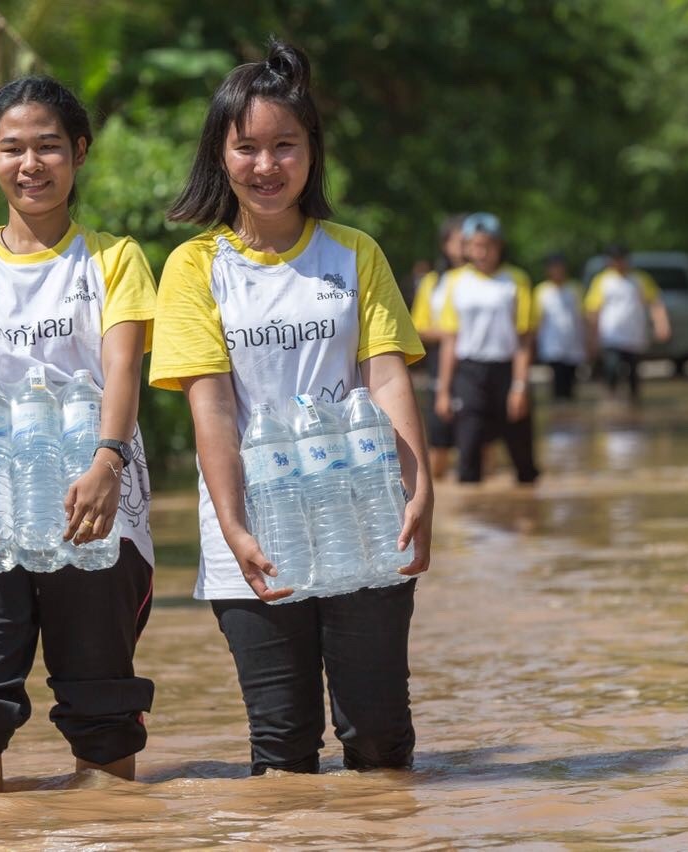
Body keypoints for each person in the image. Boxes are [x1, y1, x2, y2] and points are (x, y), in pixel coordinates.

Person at [148, 40, 432, 776]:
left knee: (378, 739)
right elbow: (211, 410)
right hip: (252, 525)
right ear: (220, 156)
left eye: (285, 146)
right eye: (246, 147)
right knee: (282, 748)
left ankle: (383, 825)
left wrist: (420, 491)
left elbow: (387, 378)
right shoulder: (193, 268)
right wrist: (234, 526)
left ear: (312, 153)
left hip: (362, 516)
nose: (266, 165)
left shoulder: (353, 253)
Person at [0, 76, 157, 792]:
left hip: (96, 501)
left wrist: (107, 462)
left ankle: (105, 830)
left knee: (100, 705)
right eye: (12, 148)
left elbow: (122, 370)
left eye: (48, 146)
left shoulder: (114, 258)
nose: (31, 164)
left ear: (79, 152)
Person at [435, 212, 540, 484]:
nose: (481, 252)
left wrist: (520, 386)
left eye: (487, 246)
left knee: (522, 457)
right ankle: (471, 506)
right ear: (468, 247)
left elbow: (524, 340)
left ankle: (527, 505)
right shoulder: (455, 281)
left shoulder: (516, 280)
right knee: (468, 450)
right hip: (469, 372)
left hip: (506, 370)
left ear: (499, 246)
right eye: (475, 246)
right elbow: (450, 339)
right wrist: (443, 391)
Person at [410, 214, 468, 478]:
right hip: (439, 361)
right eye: (459, 241)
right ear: (445, 244)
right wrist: (449, 334)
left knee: (479, 436)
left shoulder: (487, 280)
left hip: (474, 363)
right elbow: (418, 327)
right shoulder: (432, 282)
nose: (464, 247)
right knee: (439, 433)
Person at [583, 243, 671, 401]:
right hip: (610, 336)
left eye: (621, 258)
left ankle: (634, 402)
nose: (619, 262)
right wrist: (591, 337)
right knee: (611, 368)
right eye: (615, 259)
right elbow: (593, 310)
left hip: (634, 336)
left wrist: (661, 325)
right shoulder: (602, 281)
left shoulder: (640, 279)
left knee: (633, 373)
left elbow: (655, 303)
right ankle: (609, 399)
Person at [531, 252, 587, 401]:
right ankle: (559, 408)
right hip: (551, 343)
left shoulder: (575, 289)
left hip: (573, 342)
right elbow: (537, 319)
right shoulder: (542, 291)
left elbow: (582, 316)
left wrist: (588, 341)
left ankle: (568, 410)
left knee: (571, 381)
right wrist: (534, 343)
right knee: (557, 379)